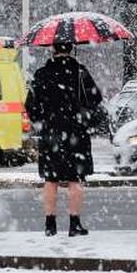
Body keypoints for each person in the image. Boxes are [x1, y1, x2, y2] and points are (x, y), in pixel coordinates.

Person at [25, 42, 102, 237]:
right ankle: (74, 224)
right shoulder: (80, 72)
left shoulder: (42, 74)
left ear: (53, 50)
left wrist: (42, 122)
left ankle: (50, 224)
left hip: (51, 134)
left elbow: (31, 105)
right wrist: (81, 115)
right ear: (71, 49)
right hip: (76, 133)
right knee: (75, 179)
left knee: (51, 179)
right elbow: (96, 99)